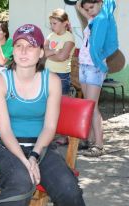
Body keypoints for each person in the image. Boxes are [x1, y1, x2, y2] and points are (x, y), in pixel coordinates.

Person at [0, 24, 82, 206]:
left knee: (70, 191)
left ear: (41, 53)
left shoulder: (53, 81)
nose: (24, 51)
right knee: (20, 184)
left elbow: (49, 127)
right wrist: (25, 161)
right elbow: (4, 130)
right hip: (5, 147)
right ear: (13, 50)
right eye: (19, 46)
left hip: (41, 146)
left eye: (31, 46)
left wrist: (34, 156)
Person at [75, 0, 118, 157]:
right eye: (88, 9)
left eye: (92, 7)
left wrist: (99, 59)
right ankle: (91, 139)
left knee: (92, 107)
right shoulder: (93, 19)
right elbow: (79, 6)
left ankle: (99, 145)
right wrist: (84, 5)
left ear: (100, 3)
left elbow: (109, 44)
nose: (89, 11)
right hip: (84, 66)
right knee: (88, 106)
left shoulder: (103, 19)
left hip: (94, 68)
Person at [44, 8, 75, 145]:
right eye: (51, 23)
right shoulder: (50, 36)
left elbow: (63, 57)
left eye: (54, 23)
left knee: (62, 106)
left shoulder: (69, 38)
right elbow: (42, 53)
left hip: (62, 76)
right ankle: (48, 133)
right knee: (47, 105)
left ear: (65, 23)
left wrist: (51, 53)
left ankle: (64, 135)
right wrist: (55, 51)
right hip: (47, 74)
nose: (52, 26)